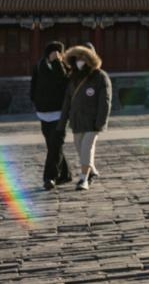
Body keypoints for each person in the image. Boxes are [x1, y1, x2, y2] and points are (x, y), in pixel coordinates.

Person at [60, 45, 112, 190]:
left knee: (86, 148)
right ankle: (92, 170)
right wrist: (62, 123)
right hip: (77, 120)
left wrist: (100, 122)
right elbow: (67, 102)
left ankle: (84, 179)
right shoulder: (73, 77)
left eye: (83, 58)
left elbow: (105, 102)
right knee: (79, 147)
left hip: (92, 121)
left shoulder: (100, 76)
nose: (80, 61)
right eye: (77, 58)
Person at [29, 41, 73, 189]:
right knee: (53, 146)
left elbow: (62, 79)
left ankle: (49, 177)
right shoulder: (39, 65)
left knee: (55, 145)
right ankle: (65, 175)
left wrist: (57, 63)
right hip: (43, 112)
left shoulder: (64, 67)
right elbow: (33, 84)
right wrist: (35, 100)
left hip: (59, 113)